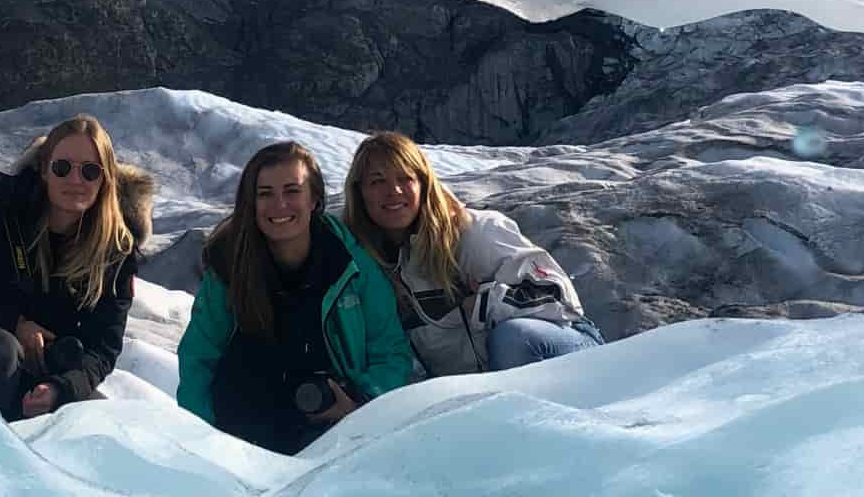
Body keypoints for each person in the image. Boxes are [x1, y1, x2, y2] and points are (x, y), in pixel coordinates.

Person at [0, 115, 154, 421]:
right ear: (44, 168)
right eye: (63, 168)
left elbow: (102, 349)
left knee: (100, 425)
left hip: (36, 385)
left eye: (90, 171)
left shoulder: (114, 252)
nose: (76, 181)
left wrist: (61, 388)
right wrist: (12, 324)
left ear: (105, 181)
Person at [176, 141, 412, 454]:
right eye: (265, 194)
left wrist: (360, 403)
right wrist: (202, 441)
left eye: (292, 191)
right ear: (251, 202)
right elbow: (198, 358)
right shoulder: (229, 267)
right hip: (238, 444)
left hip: (331, 441)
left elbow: (390, 351)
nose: (279, 205)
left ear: (314, 198)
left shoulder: (348, 265)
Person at [343, 131, 603, 377]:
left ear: (423, 184)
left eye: (405, 178)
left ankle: (526, 421)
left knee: (513, 338)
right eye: (378, 181)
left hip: (564, 351)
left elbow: (559, 299)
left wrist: (483, 303)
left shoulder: (475, 232)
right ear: (360, 191)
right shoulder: (363, 263)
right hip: (473, 384)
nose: (394, 191)